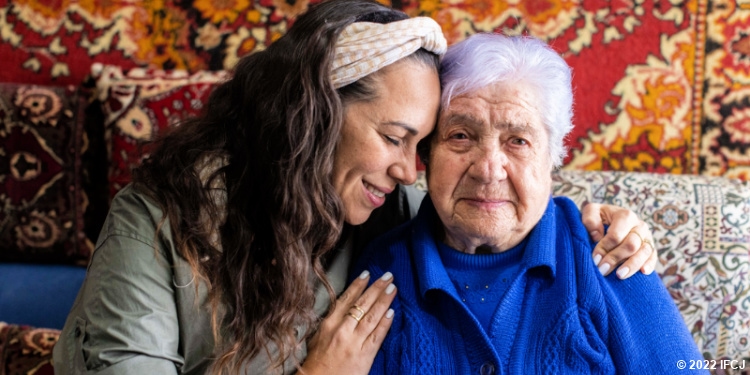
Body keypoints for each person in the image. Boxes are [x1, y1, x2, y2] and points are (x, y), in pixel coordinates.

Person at [53, 1, 657, 374]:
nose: (410, 170)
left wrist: (603, 225)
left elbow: (496, 195)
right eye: (398, 138)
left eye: (421, 145)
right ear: (314, 117)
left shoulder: (393, 209)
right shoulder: (157, 222)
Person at [355, 33, 705, 374]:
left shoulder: (610, 253)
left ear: (552, 158)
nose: (488, 170)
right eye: (461, 136)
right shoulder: (381, 271)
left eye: (518, 141)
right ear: (427, 152)